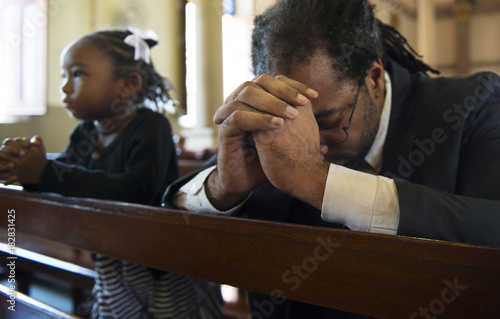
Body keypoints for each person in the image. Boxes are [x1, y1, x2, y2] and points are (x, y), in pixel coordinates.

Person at [162, 0, 500, 318]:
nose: (312, 144)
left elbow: (491, 226)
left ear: (375, 79)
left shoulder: (470, 106)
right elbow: (161, 245)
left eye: (325, 121)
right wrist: (224, 188)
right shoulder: (271, 124)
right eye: (296, 124)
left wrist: (318, 181)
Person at [0, 28, 222, 318]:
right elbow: (62, 179)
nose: (65, 87)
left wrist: (45, 171)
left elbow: (134, 190)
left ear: (128, 85)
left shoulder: (151, 127)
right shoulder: (85, 133)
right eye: (63, 76)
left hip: (160, 260)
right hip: (110, 252)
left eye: (77, 74)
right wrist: (24, 167)